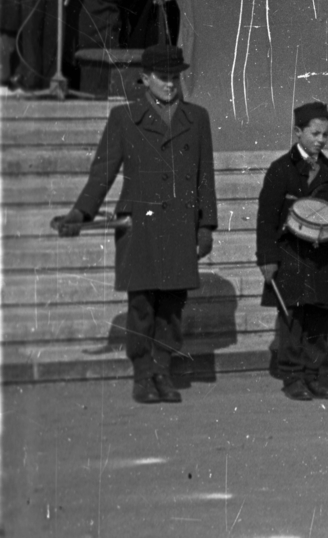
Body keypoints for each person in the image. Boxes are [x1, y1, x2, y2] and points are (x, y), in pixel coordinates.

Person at [56, 44, 217, 402]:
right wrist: (80, 213)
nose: (170, 85)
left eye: (176, 77)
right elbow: (102, 173)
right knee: (142, 304)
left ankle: (163, 369)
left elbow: (205, 177)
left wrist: (206, 226)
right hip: (139, 226)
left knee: (171, 306)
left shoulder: (197, 118)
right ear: (144, 78)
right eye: (163, 78)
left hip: (179, 225)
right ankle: (143, 375)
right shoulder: (124, 117)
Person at [257, 100, 328, 401]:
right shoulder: (280, 170)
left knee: (319, 319)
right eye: (314, 134)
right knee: (293, 320)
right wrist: (267, 259)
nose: (320, 140)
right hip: (290, 258)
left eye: (325, 135)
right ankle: (292, 376)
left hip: (324, 258)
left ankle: (313, 375)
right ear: (298, 132)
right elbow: (266, 219)